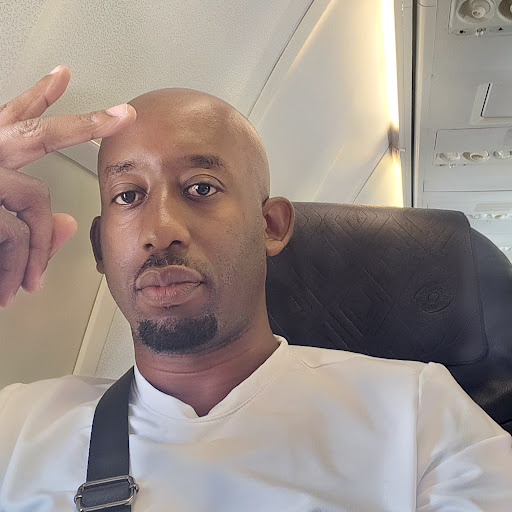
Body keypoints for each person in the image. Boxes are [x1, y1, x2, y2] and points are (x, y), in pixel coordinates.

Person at [0, 66, 511, 511]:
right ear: (100, 246)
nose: (160, 229)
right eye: (128, 195)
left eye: (201, 187)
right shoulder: (18, 426)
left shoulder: (420, 413)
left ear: (270, 226)